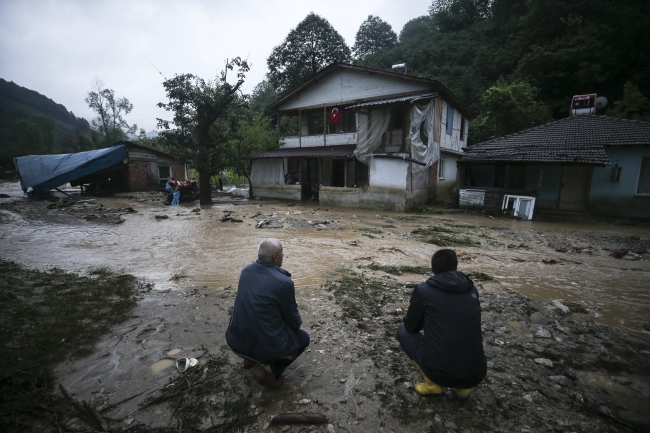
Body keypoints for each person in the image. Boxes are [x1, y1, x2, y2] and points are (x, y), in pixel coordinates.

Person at [396, 249, 487, 398]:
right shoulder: (472, 289)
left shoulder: (423, 290)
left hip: (440, 373)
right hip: (476, 375)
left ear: (432, 269)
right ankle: (462, 389)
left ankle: (433, 385)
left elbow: (411, 326)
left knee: (402, 331)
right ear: (456, 268)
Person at [225, 238, 309, 388]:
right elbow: (295, 322)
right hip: (262, 346)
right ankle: (268, 373)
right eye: (282, 254)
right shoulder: (284, 282)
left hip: (235, 340)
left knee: (256, 315)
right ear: (275, 257)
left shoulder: (245, 271)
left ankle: (248, 360)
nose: (283, 256)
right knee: (302, 338)